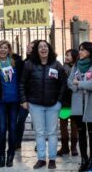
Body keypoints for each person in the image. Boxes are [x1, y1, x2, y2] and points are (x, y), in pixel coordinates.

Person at [19, 40, 66, 170]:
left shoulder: (57, 65)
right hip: (35, 105)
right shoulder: (29, 65)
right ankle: (41, 159)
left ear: (49, 49)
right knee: (39, 133)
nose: (43, 49)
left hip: (53, 105)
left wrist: (59, 101)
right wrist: (23, 100)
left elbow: (63, 84)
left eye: (46, 46)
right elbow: (22, 83)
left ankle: (52, 159)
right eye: (40, 47)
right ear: (36, 50)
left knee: (52, 133)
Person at [0, 40, 23, 167]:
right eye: (0, 48)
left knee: (13, 128)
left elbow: (23, 80)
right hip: (0, 101)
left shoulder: (16, 62)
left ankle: (10, 155)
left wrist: (23, 99)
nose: (2, 50)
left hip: (15, 101)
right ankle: (1, 156)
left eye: (5, 48)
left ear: (9, 49)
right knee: (2, 129)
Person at [68, 43, 92, 171]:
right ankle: (84, 159)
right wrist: (79, 84)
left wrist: (79, 83)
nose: (80, 52)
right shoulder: (76, 65)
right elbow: (70, 81)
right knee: (81, 132)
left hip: (91, 103)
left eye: (83, 50)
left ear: (90, 51)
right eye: (80, 49)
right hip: (77, 103)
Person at [15, 40, 39, 150]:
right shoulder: (23, 62)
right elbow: (20, 81)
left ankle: (39, 143)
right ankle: (17, 142)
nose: (28, 48)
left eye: (31, 47)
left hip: (37, 97)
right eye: (28, 46)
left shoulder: (41, 63)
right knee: (20, 120)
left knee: (38, 123)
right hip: (24, 98)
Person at [57, 49, 79, 157]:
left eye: (68, 55)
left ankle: (74, 147)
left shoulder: (79, 68)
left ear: (74, 56)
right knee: (63, 125)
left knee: (74, 125)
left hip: (75, 101)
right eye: (65, 55)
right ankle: (64, 147)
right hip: (65, 102)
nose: (66, 57)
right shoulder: (62, 68)